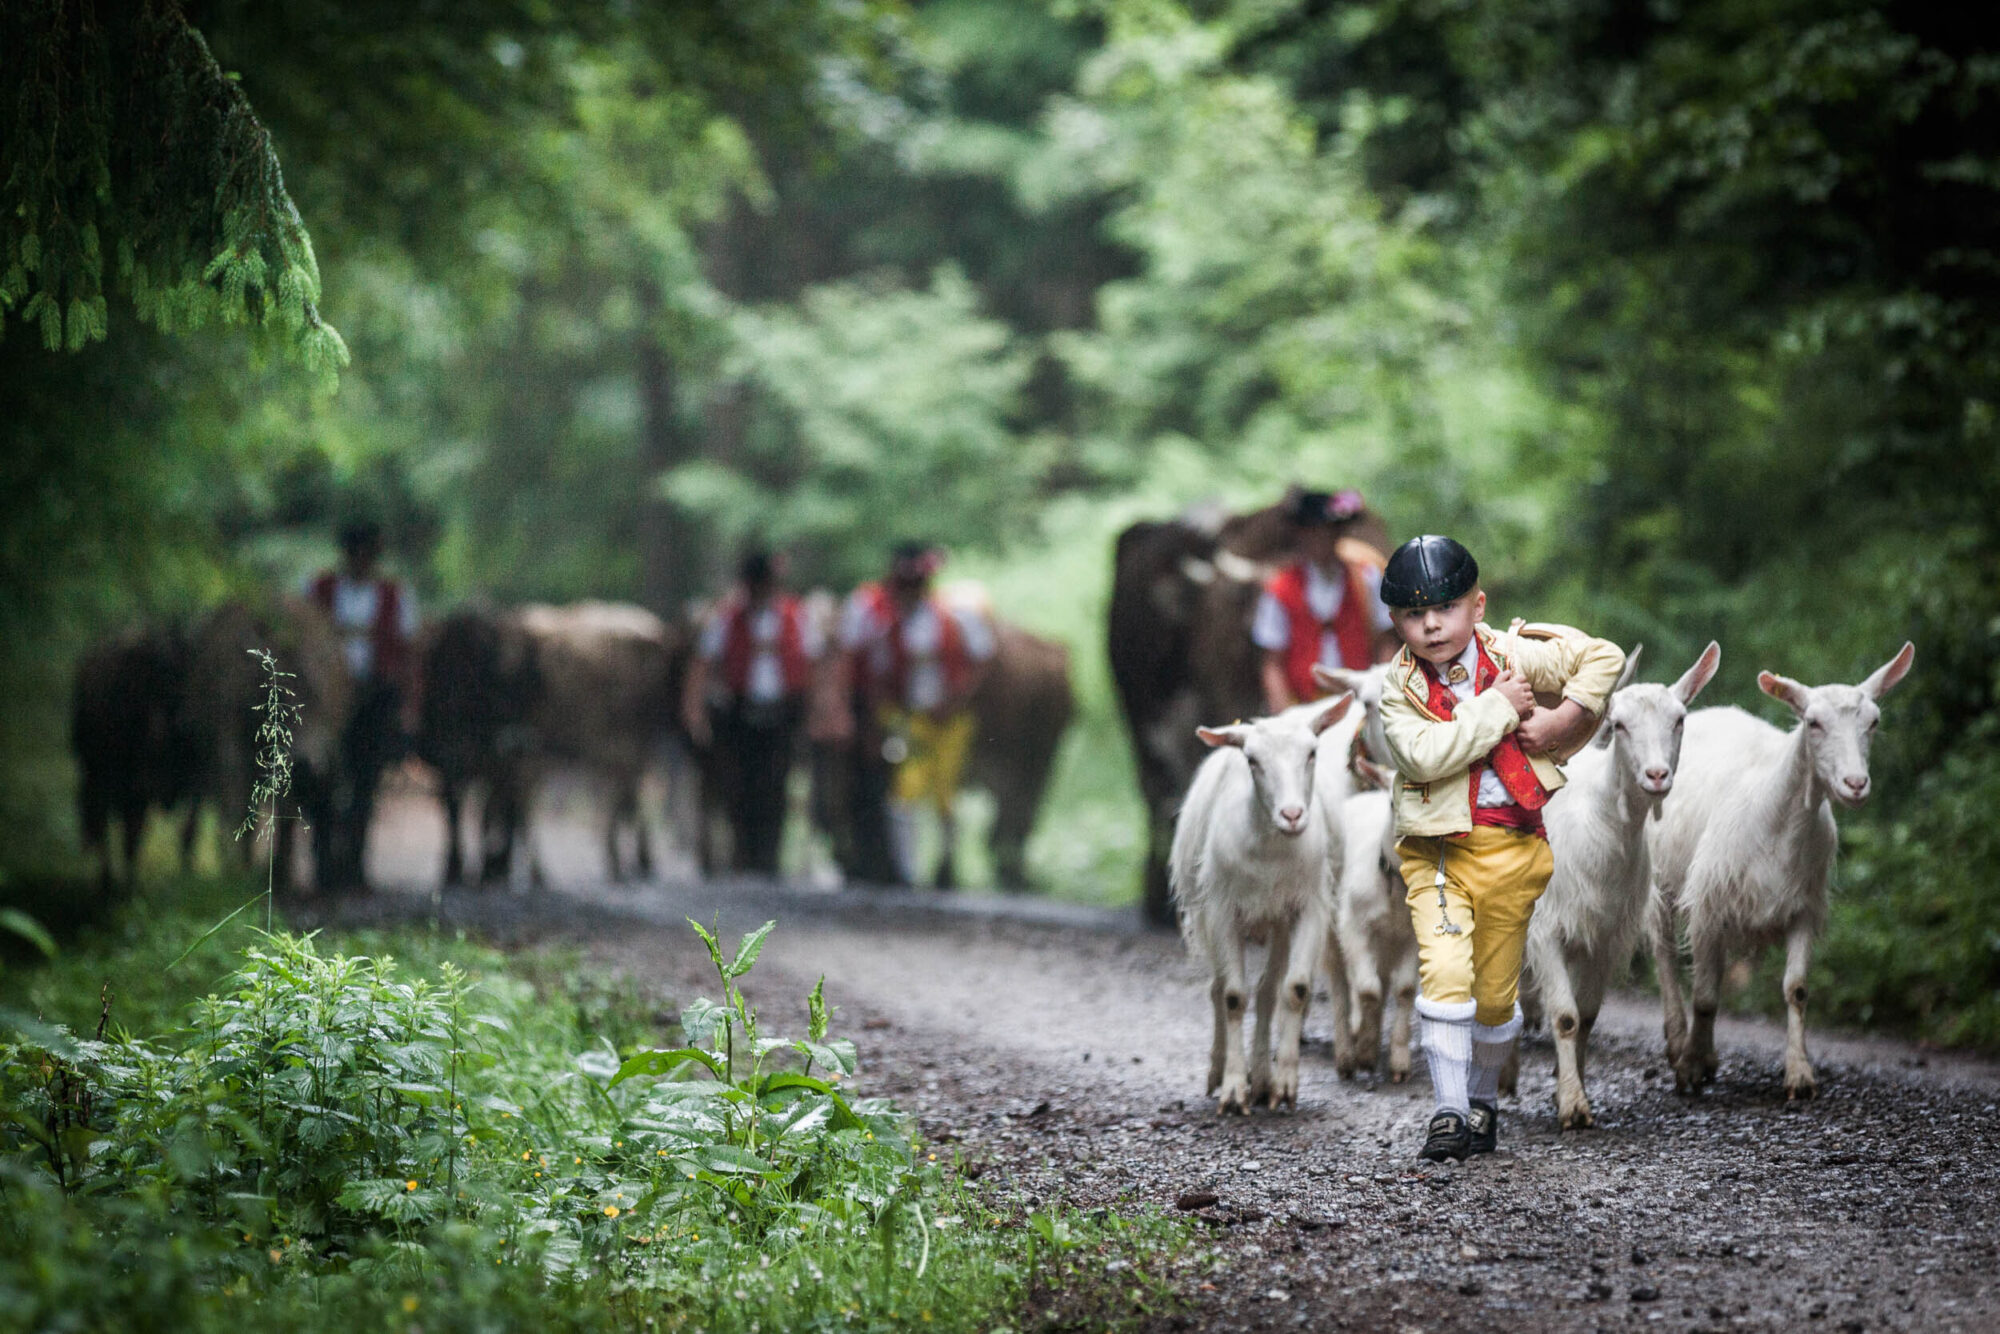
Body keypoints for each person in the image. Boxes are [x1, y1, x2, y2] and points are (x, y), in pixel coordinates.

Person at [1376, 535, 1624, 1162]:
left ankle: (1482, 1102)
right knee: (1446, 973)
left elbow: (1603, 657)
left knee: (1494, 993)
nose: (1431, 624)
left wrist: (1564, 720)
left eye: (1446, 607)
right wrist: (1496, 708)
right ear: (1395, 622)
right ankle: (1448, 1113)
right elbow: (1424, 755)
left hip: (1515, 844)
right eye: (1412, 613)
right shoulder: (1396, 690)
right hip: (1438, 851)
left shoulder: (1510, 655)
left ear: (1477, 606)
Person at [838, 541, 995, 888]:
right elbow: (878, 676)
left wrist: (955, 701)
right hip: (909, 720)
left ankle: (947, 864)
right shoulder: (886, 625)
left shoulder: (957, 618)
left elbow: (982, 661)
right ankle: (907, 872)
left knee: (946, 793)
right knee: (904, 794)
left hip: (951, 722)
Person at [681, 550, 821, 875]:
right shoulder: (727, 618)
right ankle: (742, 856)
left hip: (783, 711)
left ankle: (769, 859)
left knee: (776, 784)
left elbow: (813, 664)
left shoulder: (795, 616)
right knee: (738, 785)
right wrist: (694, 711)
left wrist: (816, 711)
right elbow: (702, 664)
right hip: (739, 713)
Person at [306, 515, 418, 891]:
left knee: (365, 782)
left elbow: (405, 648)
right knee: (317, 780)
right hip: (321, 701)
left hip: (372, 697)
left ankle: (355, 865)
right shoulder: (319, 588)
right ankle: (323, 865)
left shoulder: (393, 595)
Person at [1252, 488, 1399, 714]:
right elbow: (1272, 662)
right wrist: (1283, 714)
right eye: (1312, 531)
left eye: (1327, 531)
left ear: (1339, 533)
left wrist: (1381, 692)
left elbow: (1387, 641)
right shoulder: (1280, 588)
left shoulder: (1366, 577)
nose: (1320, 538)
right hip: (1302, 707)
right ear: (1300, 535)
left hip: (1359, 702)